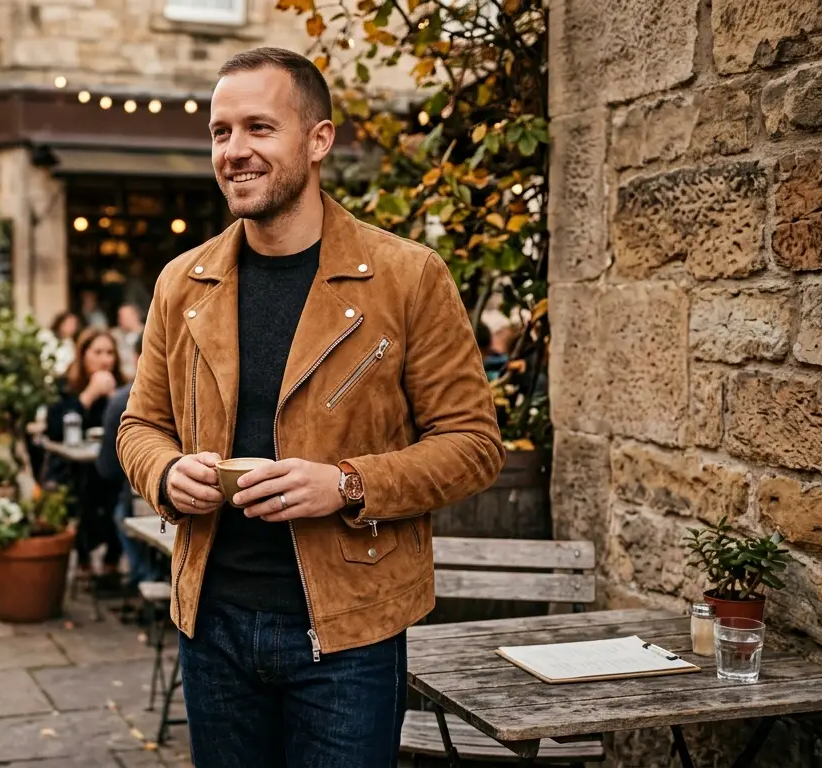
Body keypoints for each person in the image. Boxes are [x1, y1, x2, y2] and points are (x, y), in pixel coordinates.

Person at [116, 48, 505, 767]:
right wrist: (167, 475)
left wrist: (347, 484)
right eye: (220, 132)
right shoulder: (183, 282)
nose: (235, 151)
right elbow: (140, 426)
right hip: (213, 627)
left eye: (259, 128)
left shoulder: (408, 277)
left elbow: (475, 444)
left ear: (317, 140)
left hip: (349, 635)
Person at [45, 328, 127, 584]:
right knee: (83, 488)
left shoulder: (124, 386)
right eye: (98, 352)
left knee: (117, 485)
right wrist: (88, 396)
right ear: (83, 356)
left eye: (110, 352)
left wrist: (115, 400)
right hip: (74, 468)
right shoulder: (66, 387)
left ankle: (113, 558)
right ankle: (83, 556)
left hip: (109, 465)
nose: (105, 359)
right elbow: (55, 428)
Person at [95, 335, 157, 592]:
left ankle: (145, 575)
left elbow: (107, 469)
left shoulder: (123, 400)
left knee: (122, 510)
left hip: (145, 497)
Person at [112, 304, 143, 380]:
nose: (121, 320)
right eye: (120, 317)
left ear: (136, 316)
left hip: (140, 375)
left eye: (125, 316)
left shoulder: (146, 334)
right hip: (122, 376)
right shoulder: (116, 335)